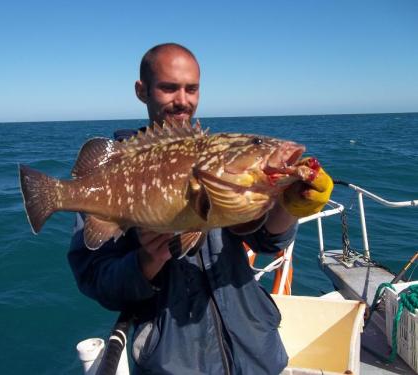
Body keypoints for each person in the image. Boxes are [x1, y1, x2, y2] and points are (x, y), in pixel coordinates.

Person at [68, 43, 333, 374]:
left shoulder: (220, 158)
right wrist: (145, 262)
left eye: (191, 89)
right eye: (169, 87)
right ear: (142, 91)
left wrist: (292, 205)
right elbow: (96, 280)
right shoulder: (116, 169)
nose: (183, 100)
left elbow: (268, 242)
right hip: (174, 362)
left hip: (257, 352)